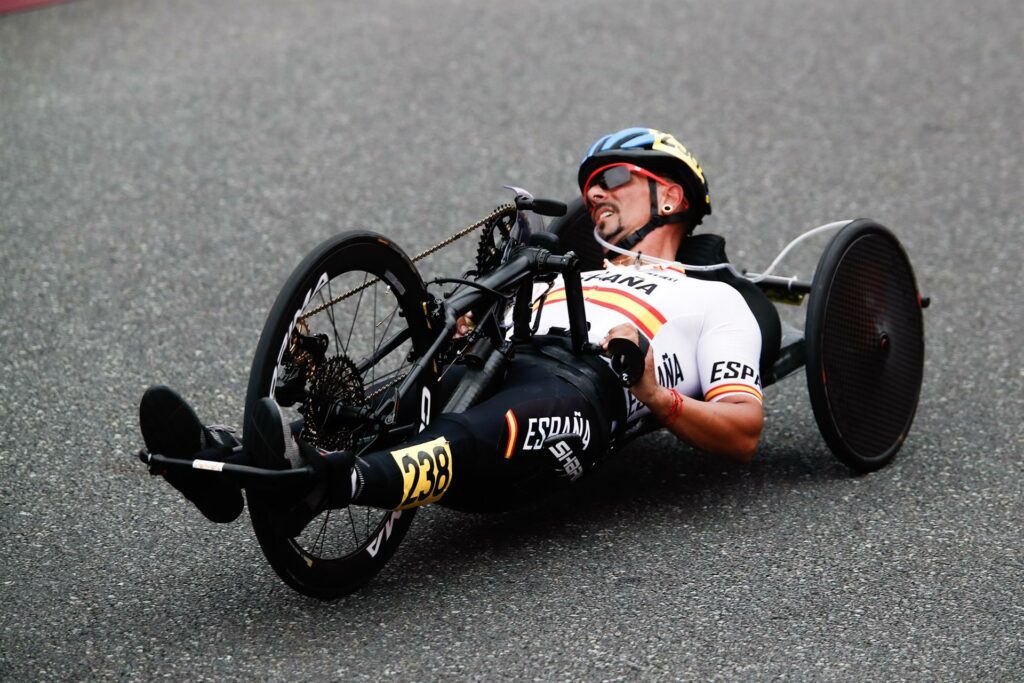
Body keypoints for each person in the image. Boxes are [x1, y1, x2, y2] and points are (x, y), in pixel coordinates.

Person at [139, 127, 764, 528]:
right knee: (391, 400)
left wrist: (654, 393)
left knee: (478, 426)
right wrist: (468, 328)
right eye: (590, 186)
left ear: (671, 198)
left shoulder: (716, 299)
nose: (597, 193)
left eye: (616, 179)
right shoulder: (563, 274)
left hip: (580, 392)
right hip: (500, 359)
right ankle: (223, 465)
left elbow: (743, 430)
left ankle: (334, 482)